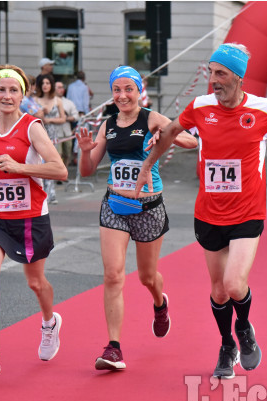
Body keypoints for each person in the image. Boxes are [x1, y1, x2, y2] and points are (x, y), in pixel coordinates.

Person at [133, 44, 267, 379]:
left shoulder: (262, 109)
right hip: (209, 213)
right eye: (211, 72)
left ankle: (244, 328)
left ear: (238, 77)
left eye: (221, 73)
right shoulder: (200, 107)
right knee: (218, 290)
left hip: (248, 211)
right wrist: (147, 165)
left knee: (235, 284)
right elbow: (170, 132)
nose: (213, 80)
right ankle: (227, 345)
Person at [75, 65, 197, 371]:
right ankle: (113, 347)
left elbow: (191, 142)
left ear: (138, 91)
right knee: (113, 275)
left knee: (146, 277)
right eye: (117, 89)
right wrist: (85, 151)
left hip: (149, 208)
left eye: (128, 89)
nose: (122, 95)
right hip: (114, 205)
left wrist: (164, 134)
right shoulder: (108, 124)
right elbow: (87, 170)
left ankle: (160, 303)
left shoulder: (151, 117)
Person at [0, 64, 68, 379]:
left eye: (13, 90)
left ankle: (50, 323)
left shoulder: (31, 127)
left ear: (23, 94)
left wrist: (21, 168)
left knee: (36, 282)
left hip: (30, 216)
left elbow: (59, 170)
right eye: (1, 89)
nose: (7, 96)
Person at [34, 73, 66, 204]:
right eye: (42, 83)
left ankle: (51, 192)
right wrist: (41, 115)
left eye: (47, 83)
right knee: (39, 162)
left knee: (52, 161)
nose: (45, 86)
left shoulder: (57, 100)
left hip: (52, 134)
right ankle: (41, 191)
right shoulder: (35, 100)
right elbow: (31, 116)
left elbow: (63, 118)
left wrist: (50, 119)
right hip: (39, 132)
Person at [55, 81, 79, 169]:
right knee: (58, 154)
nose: (61, 89)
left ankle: (64, 172)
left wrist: (66, 118)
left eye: (62, 87)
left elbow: (76, 116)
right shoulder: (50, 101)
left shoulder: (69, 103)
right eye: (59, 87)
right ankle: (58, 173)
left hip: (67, 133)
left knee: (67, 154)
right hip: (55, 133)